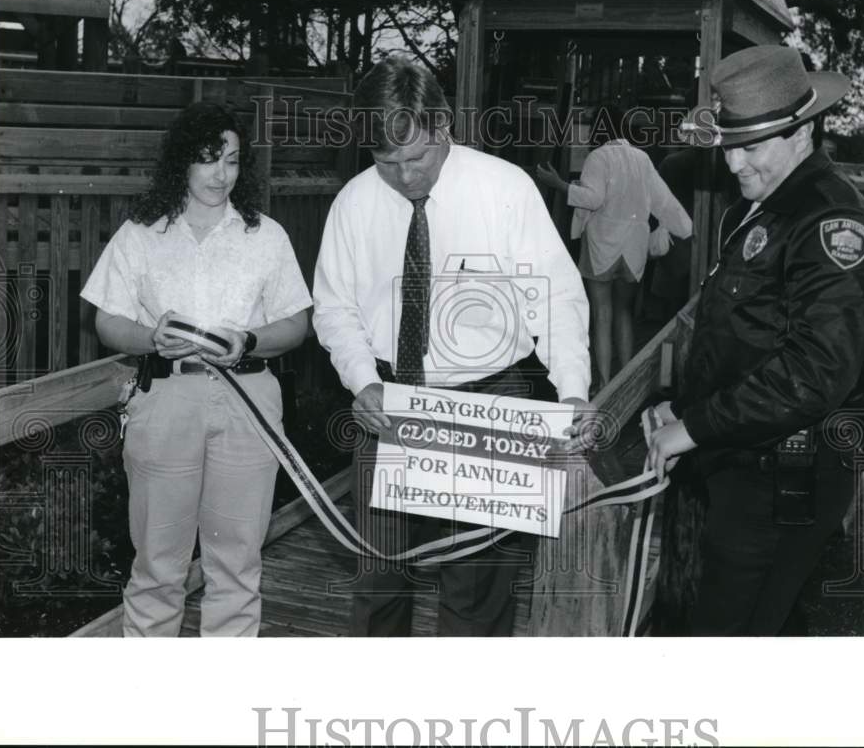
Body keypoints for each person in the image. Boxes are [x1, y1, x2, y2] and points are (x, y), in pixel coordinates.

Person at [312, 56, 595, 637]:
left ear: (443, 127)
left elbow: (557, 297)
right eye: (386, 163)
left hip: (489, 400)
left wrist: (572, 391)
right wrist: (361, 378)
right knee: (379, 578)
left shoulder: (505, 188)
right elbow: (335, 307)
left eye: (416, 158)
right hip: (389, 403)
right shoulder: (354, 203)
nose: (406, 177)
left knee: (478, 587)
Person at [645, 45, 864, 636]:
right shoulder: (762, 208)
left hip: (783, 478)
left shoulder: (835, 225)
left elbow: (814, 373)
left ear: (803, 131)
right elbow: (745, 338)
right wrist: (684, 409)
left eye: (752, 147)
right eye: (730, 147)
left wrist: (695, 426)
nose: (735, 165)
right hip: (740, 464)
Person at [81, 102, 312, 636]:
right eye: (208, 159)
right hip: (167, 398)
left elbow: (297, 324)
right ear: (181, 163)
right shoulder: (141, 233)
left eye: (231, 161)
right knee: (159, 562)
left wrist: (249, 338)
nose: (219, 174)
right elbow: (106, 320)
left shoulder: (267, 236)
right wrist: (150, 337)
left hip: (249, 398)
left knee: (236, 562)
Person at [536, 105, 691, 391]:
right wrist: (684, 227)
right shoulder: (642, 158)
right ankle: (627, 383)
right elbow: (663, 200)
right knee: (624, 313)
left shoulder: (598, 156)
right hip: (633, 249)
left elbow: (593, 200)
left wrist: (558, 184)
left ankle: (605, 383)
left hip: (602, 245)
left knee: (601, 315)